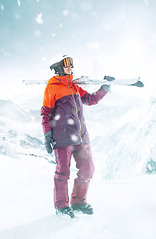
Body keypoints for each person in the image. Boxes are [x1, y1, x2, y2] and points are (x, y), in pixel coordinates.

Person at [40, 55, 112, 218]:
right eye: (67, 65)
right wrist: (47, 135)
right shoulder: (53, 87)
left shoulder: (74, 87)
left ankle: (78, 201)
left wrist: (104, 88)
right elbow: (46, 114)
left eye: (71, 65)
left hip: (81, 137)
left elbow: (91, 100)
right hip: (63, 138)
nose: (70, 67)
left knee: (88, 169)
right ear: (59, 67)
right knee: (63, 171)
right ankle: (61, 206)